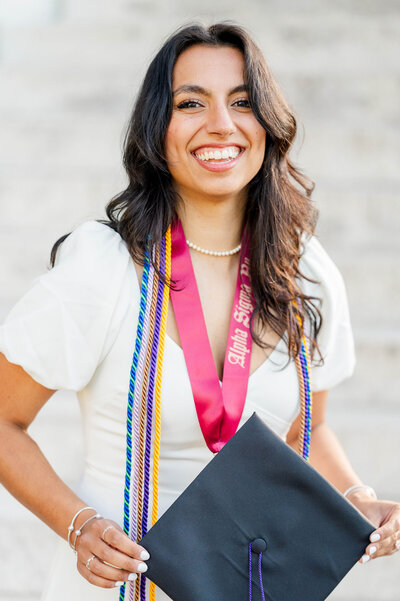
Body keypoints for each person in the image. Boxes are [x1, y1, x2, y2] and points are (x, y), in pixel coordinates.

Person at [0, 21, 399, 601]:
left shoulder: (304, 269)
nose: (222, 124)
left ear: (268, 125)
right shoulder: (103, 267)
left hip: (249, 587)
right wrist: (80, 525)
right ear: (157, 127)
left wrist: (355, 494)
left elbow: (303, 430)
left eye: (243, 103)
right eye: (192, 103)